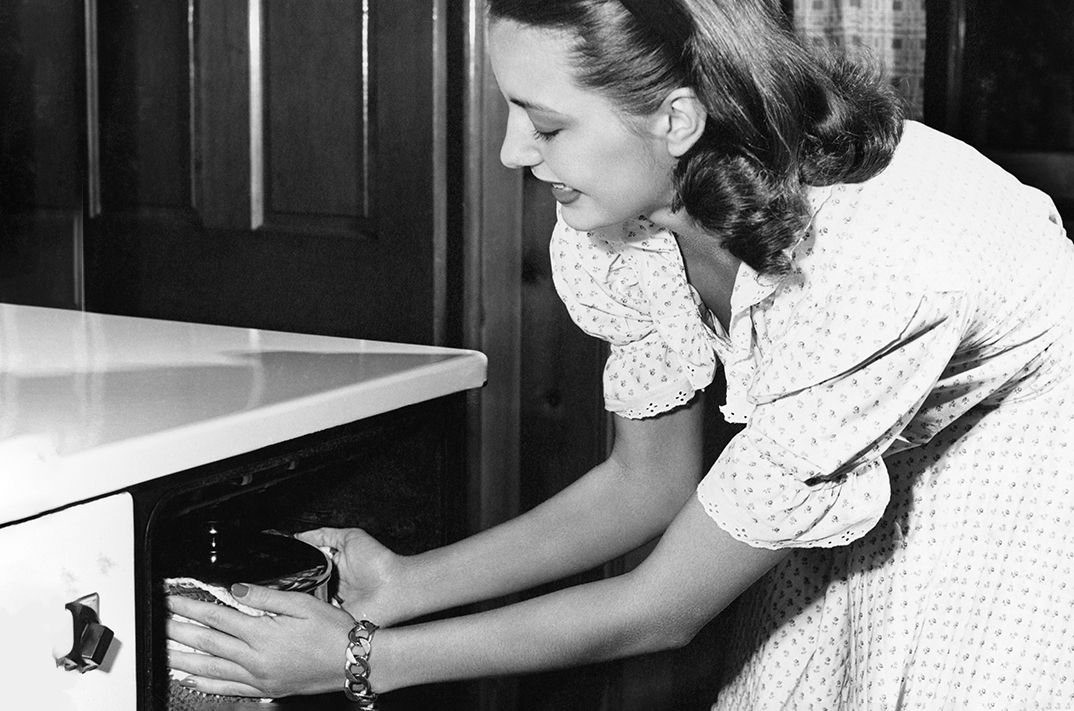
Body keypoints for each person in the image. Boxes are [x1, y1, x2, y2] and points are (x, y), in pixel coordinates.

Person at [167, 0, 1074, 708]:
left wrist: (362, 658)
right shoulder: (627, 224)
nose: (511, 151)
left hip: (1017, 493)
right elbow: (648, 483)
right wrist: (402, 585)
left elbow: (664, 607)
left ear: (677, 119)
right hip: (848, 474)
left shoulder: (878, 266)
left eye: (547, 124)